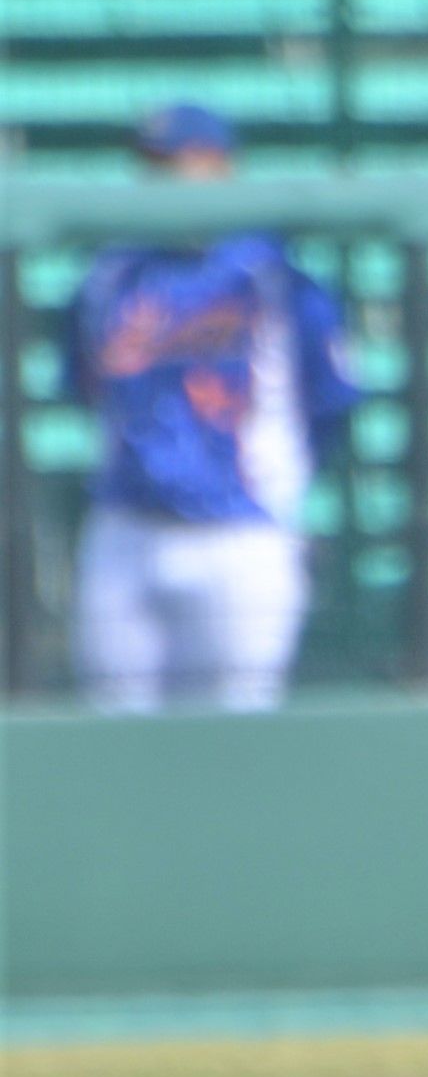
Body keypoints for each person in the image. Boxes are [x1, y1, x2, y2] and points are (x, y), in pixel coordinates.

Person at [59, 105, 361, 711]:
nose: (165, 180)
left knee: (236, 743)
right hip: (127, 529)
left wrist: (284, 485)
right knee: (113, 742)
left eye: (180, 162)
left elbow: (330, 400)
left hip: (242, 533)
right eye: (153, 165)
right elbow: (80, 384)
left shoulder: (273, 274)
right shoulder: (110, 274)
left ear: (222, 167)